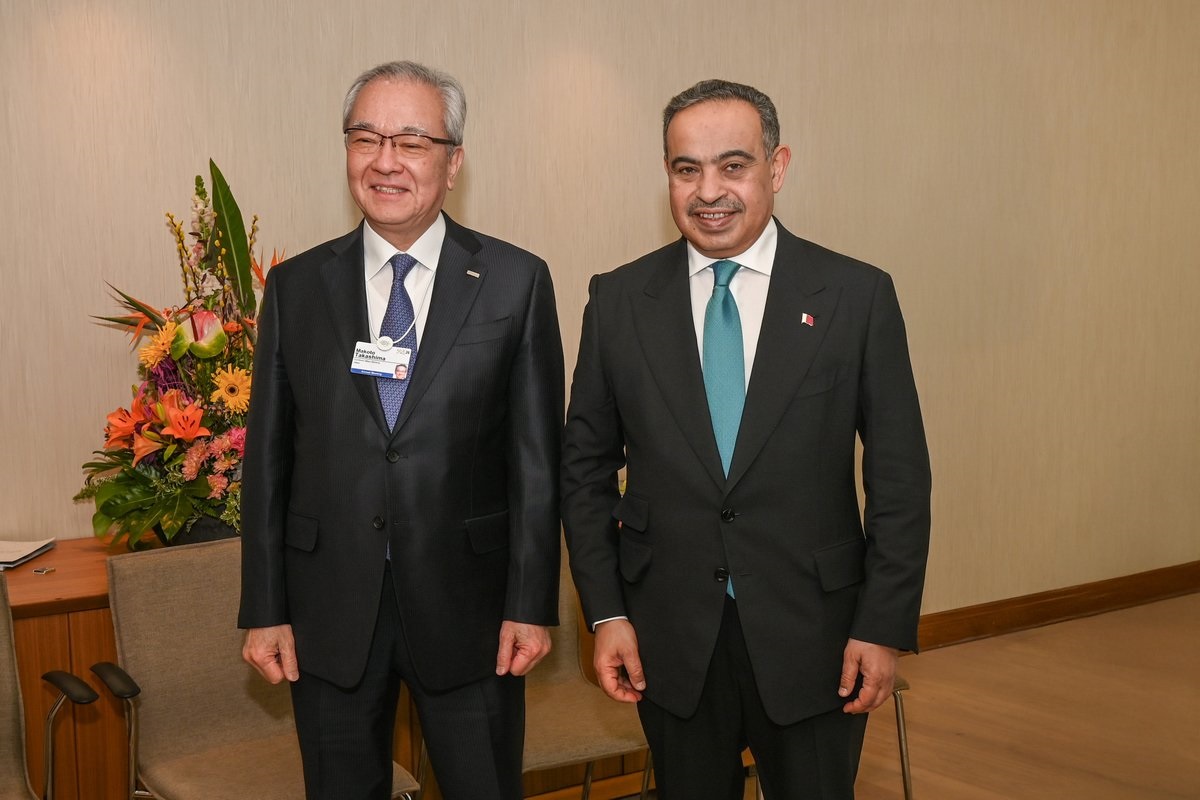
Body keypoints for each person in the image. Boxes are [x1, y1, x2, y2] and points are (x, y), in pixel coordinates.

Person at [561, 79, 930, 799]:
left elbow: (900, 478)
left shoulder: (855, 296)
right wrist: (606, 612)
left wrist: (882, 624)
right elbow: (584, 472)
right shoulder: (618, 301)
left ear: (777, 166)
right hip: (669, 638)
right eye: (687, 169)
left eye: (733, 165)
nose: (709, 191)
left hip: (817, 637)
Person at [238, 60, 564, 800]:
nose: (385, 161)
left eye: (412, 142)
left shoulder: (516, 282)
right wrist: (264, 609)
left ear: (453, 162)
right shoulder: (295, 287)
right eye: (367, 138)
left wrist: (530, 604)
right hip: (327, 613)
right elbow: (268, 463)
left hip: (473, 612)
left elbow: (537, 463)